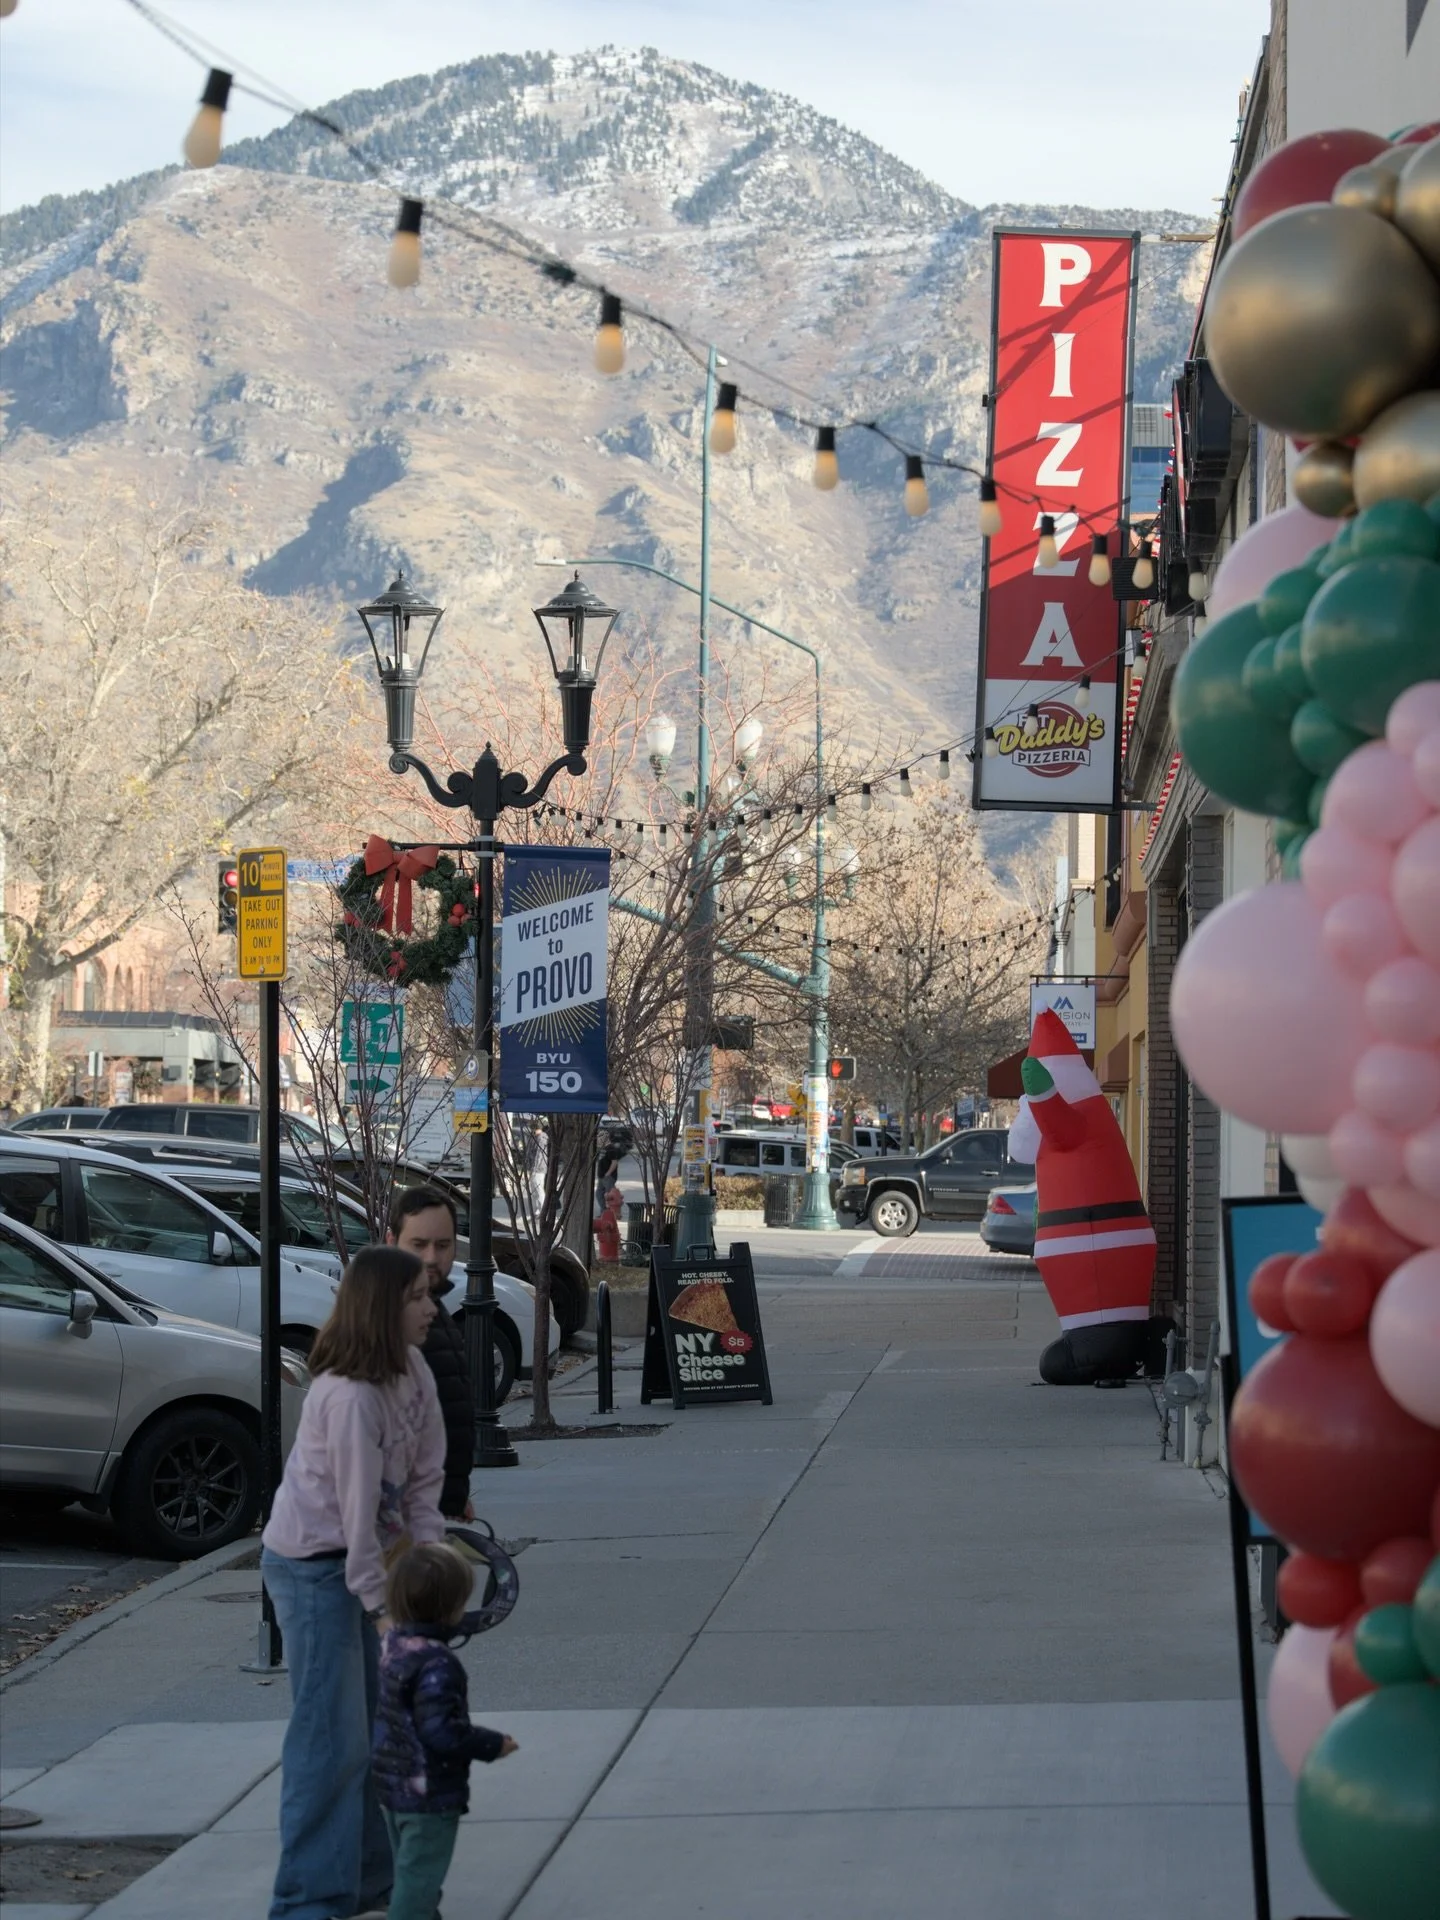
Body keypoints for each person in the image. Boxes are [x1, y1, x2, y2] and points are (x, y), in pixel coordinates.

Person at [260, 1245, 446, 1920]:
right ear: (382, 1309)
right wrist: (383, 1612)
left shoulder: (414, 1372)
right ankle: (306, 1899)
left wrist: (430, 1581)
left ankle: (372, 1881)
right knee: (330, 1740)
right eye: (418, 1298)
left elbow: (423, 1489)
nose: (431, 1307)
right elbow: (356, 1517)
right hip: (313, 1569)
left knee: (378, 1733)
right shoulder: (350, 1398)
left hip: (369, 1565)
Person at [372, 1542, 518, 1920]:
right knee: (417, 1882)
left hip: (391, 1784)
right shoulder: (438, 1664)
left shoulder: (392, 1646)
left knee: (413, 1872)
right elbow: (441, 1732)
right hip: (429, 1794)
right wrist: (492, 1744)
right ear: (454, 1610)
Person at [386, 1187, 475, 1523]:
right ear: (392, 1241)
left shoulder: (433, 1310)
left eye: (442, 1245)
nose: (431, 1259)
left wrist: (453, 1496)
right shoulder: (386, 1320)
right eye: (419, 1244)